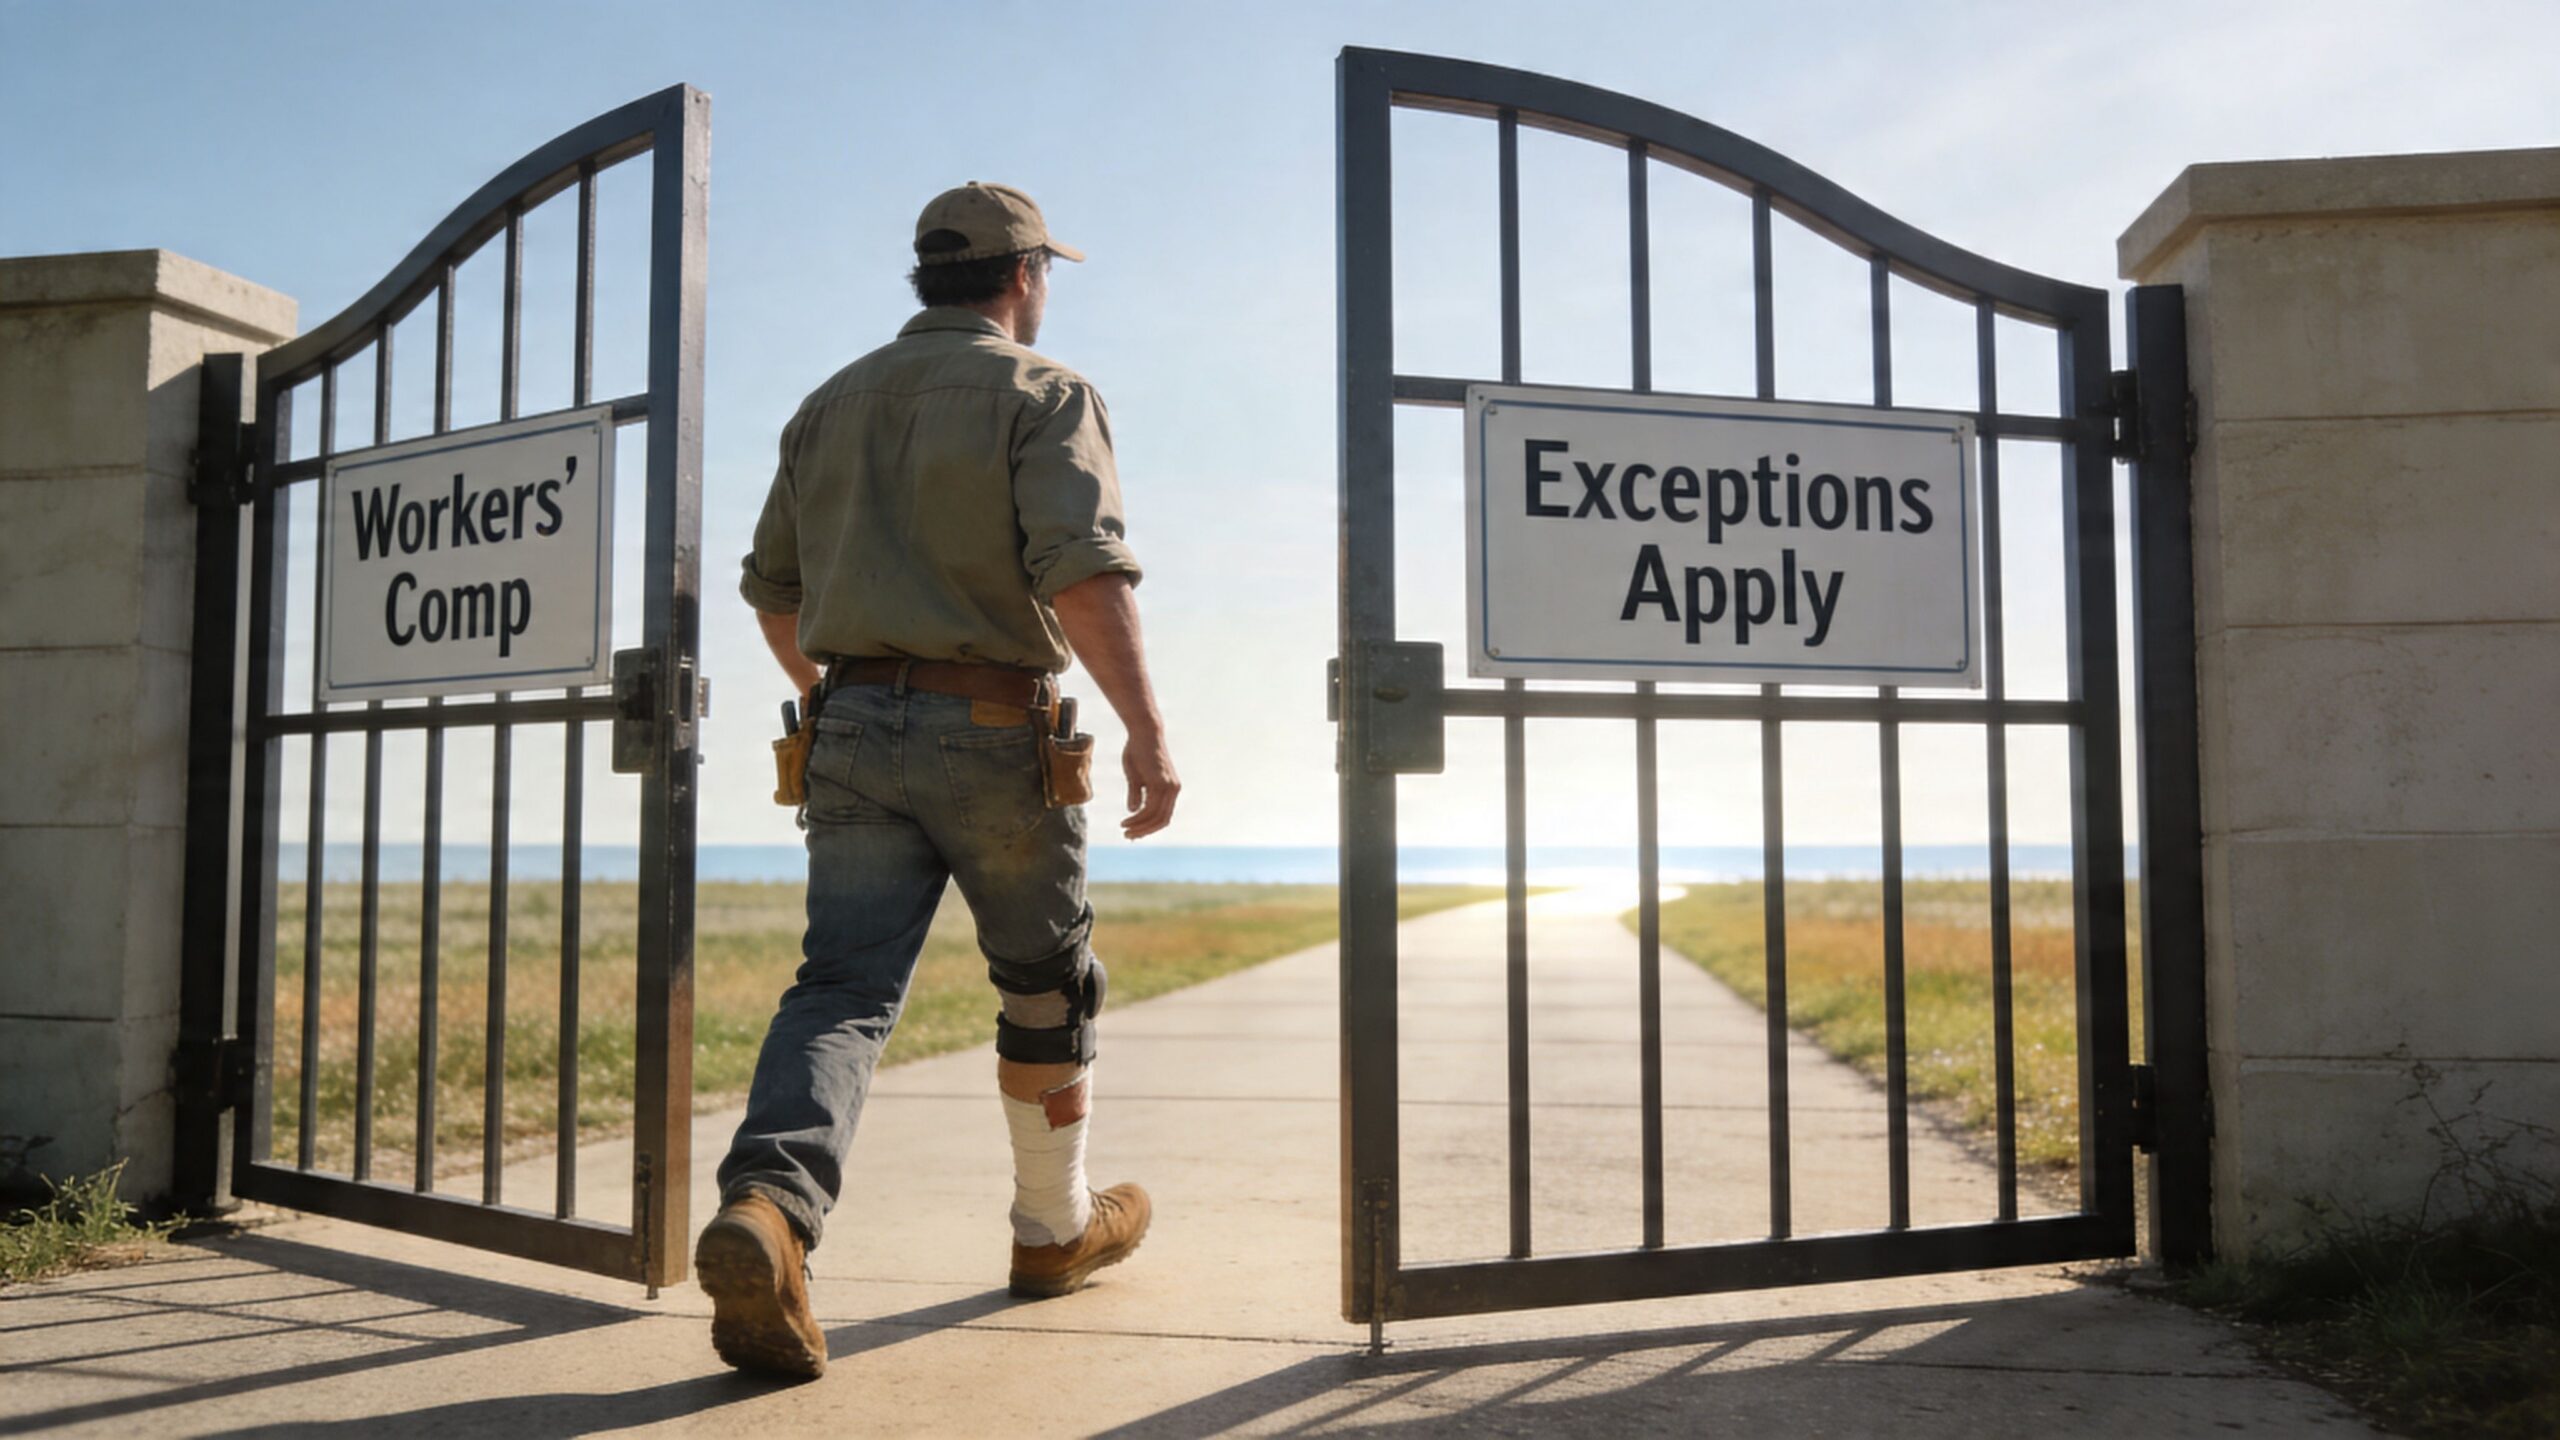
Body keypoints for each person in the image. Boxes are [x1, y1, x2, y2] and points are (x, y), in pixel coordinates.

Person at [693, 181, 1179, 1380]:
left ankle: (767, 1209)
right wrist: (1146, 731)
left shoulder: (826, 404)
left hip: (847, 724)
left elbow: (773, 591)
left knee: (843, 988)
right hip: (996, 728)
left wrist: (851, 692)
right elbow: (1082, 571)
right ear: (1023, 277)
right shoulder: (1044, 390)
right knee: (1043, 984)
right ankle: (1051, 1228)